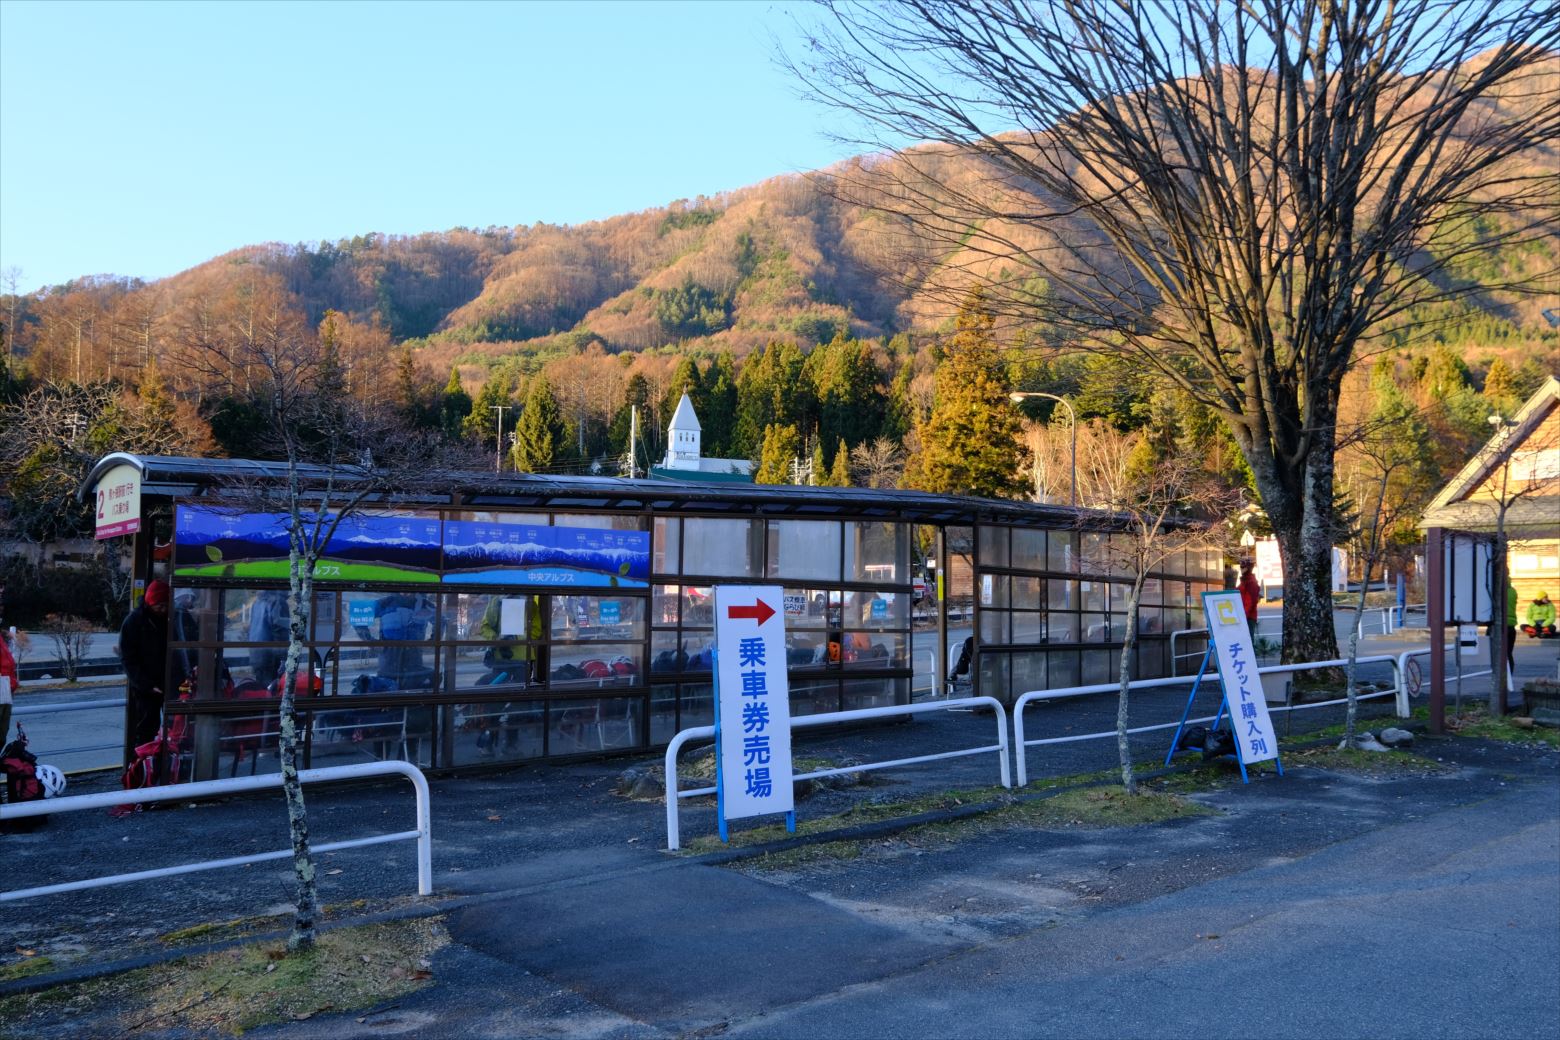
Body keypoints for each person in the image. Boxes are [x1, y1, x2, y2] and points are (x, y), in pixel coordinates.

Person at [121, 580, 172, 749]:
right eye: (160, 605)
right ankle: (144, 765)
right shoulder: (133, 622)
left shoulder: (172, 618)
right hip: (146, 687)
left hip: (169, 682)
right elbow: (129, 659)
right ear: (150, 602)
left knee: (175, 728)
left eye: (166, 605)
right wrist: (146, 685)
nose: (163, 610)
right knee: (146, 729)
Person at [1238, 559, 1261, 629]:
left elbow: (1250, 602)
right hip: (1244, 615)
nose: (1241, 569)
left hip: (1248, 617)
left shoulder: (1251, 583)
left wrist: (1243, 616)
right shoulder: (1244, 582)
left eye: (1243, 567)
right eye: (1240, 567)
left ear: (1249, 568)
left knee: (1248, 639)